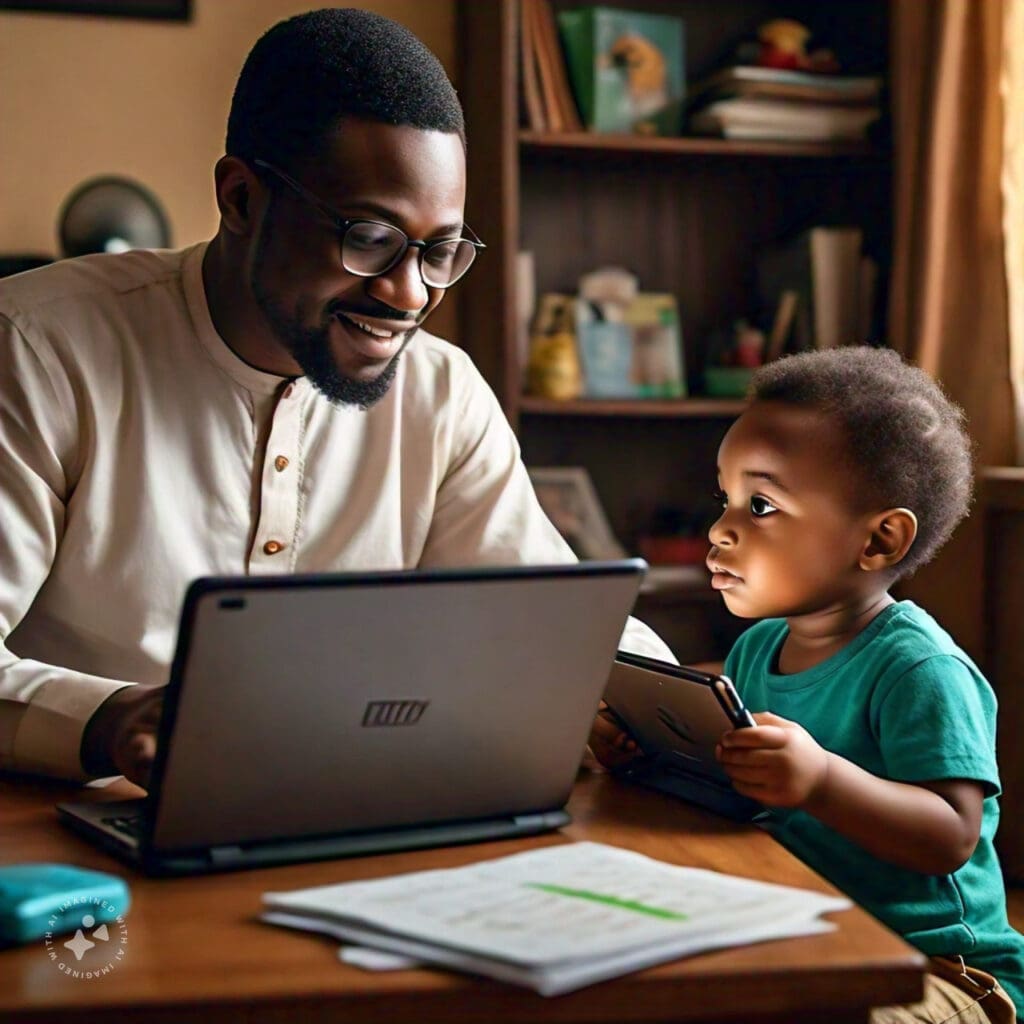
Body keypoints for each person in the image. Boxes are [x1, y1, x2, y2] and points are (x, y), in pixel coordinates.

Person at [0, 8, 670, 790]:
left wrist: (682, 710)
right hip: (70, 849)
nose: (408, 292)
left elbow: (553, 627)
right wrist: (112, 721)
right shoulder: (35, 347)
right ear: (242, 199)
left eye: (439, 250)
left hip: (361, 817)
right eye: (371, 238)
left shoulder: (442, 392)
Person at [705, 347, 1022, 1022]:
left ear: (878, 541)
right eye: (724, 498)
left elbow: (950, 835)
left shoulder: (918, 669)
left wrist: (821, 780)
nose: (720, 529)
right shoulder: (759, 648)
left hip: (936, 970)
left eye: (759, 504)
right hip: (815, 941)